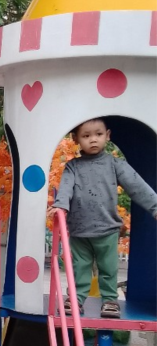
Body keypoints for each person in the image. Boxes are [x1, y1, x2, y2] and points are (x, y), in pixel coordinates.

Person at [55, 117, 157, 318]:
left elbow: (137, 186)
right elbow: (65, 188)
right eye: (86, 136)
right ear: (75, 139)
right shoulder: (73, 167)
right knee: (79, 268)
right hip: (79, 231)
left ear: (107, 136)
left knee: (108, 268)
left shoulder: (114, 164)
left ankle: (110, 300)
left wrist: (155, 207)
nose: (93, 139)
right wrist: (60, 205)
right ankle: (75, 299)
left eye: (98, 134)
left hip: (107, 229)